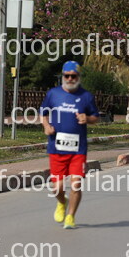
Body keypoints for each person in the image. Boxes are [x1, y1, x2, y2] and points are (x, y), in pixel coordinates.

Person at [40, 61, 99, 229]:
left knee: (76, 184)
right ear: (63, 76)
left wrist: (87, 118)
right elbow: (43, 112)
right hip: (56, 147)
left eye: (73, 76)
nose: (70, 79)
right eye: (67, 76)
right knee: (57, 187)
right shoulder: (53, 94)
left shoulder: (86, 96)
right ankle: (61, 202)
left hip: (78, 149)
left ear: (78, 77)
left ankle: (71, 217)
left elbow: (96, 117)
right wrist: (46, 126)